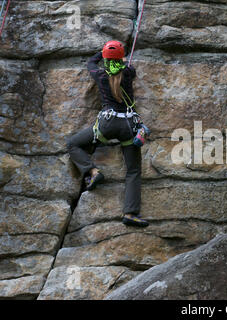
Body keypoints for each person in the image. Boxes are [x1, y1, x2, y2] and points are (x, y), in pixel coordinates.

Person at [66, 40, 149, 227]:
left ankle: (93, 171)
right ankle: (130, 213)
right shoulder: (128, 73)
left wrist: (102, 53)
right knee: (133, 170)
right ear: (120, 58)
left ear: (105, 58)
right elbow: (129, 67)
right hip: (128, 125)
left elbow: (90, 63)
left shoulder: (100, 75)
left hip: (107, 124)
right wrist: (122, 58)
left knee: (73, 144)